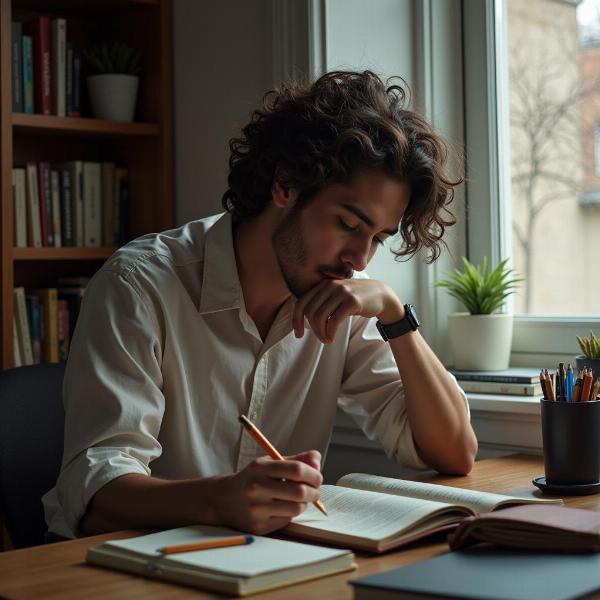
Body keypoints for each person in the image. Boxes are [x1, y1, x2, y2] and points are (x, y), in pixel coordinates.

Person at [43, 70, 477, 540]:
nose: (359, 259)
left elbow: (453, 452)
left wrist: (396, 316)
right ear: (285, 184)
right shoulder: (139, 285)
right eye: (350, 224)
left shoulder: (344, 291)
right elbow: (94, 495)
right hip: (127, 567)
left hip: (261, 564)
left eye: (377, 239)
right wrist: (219, 500)